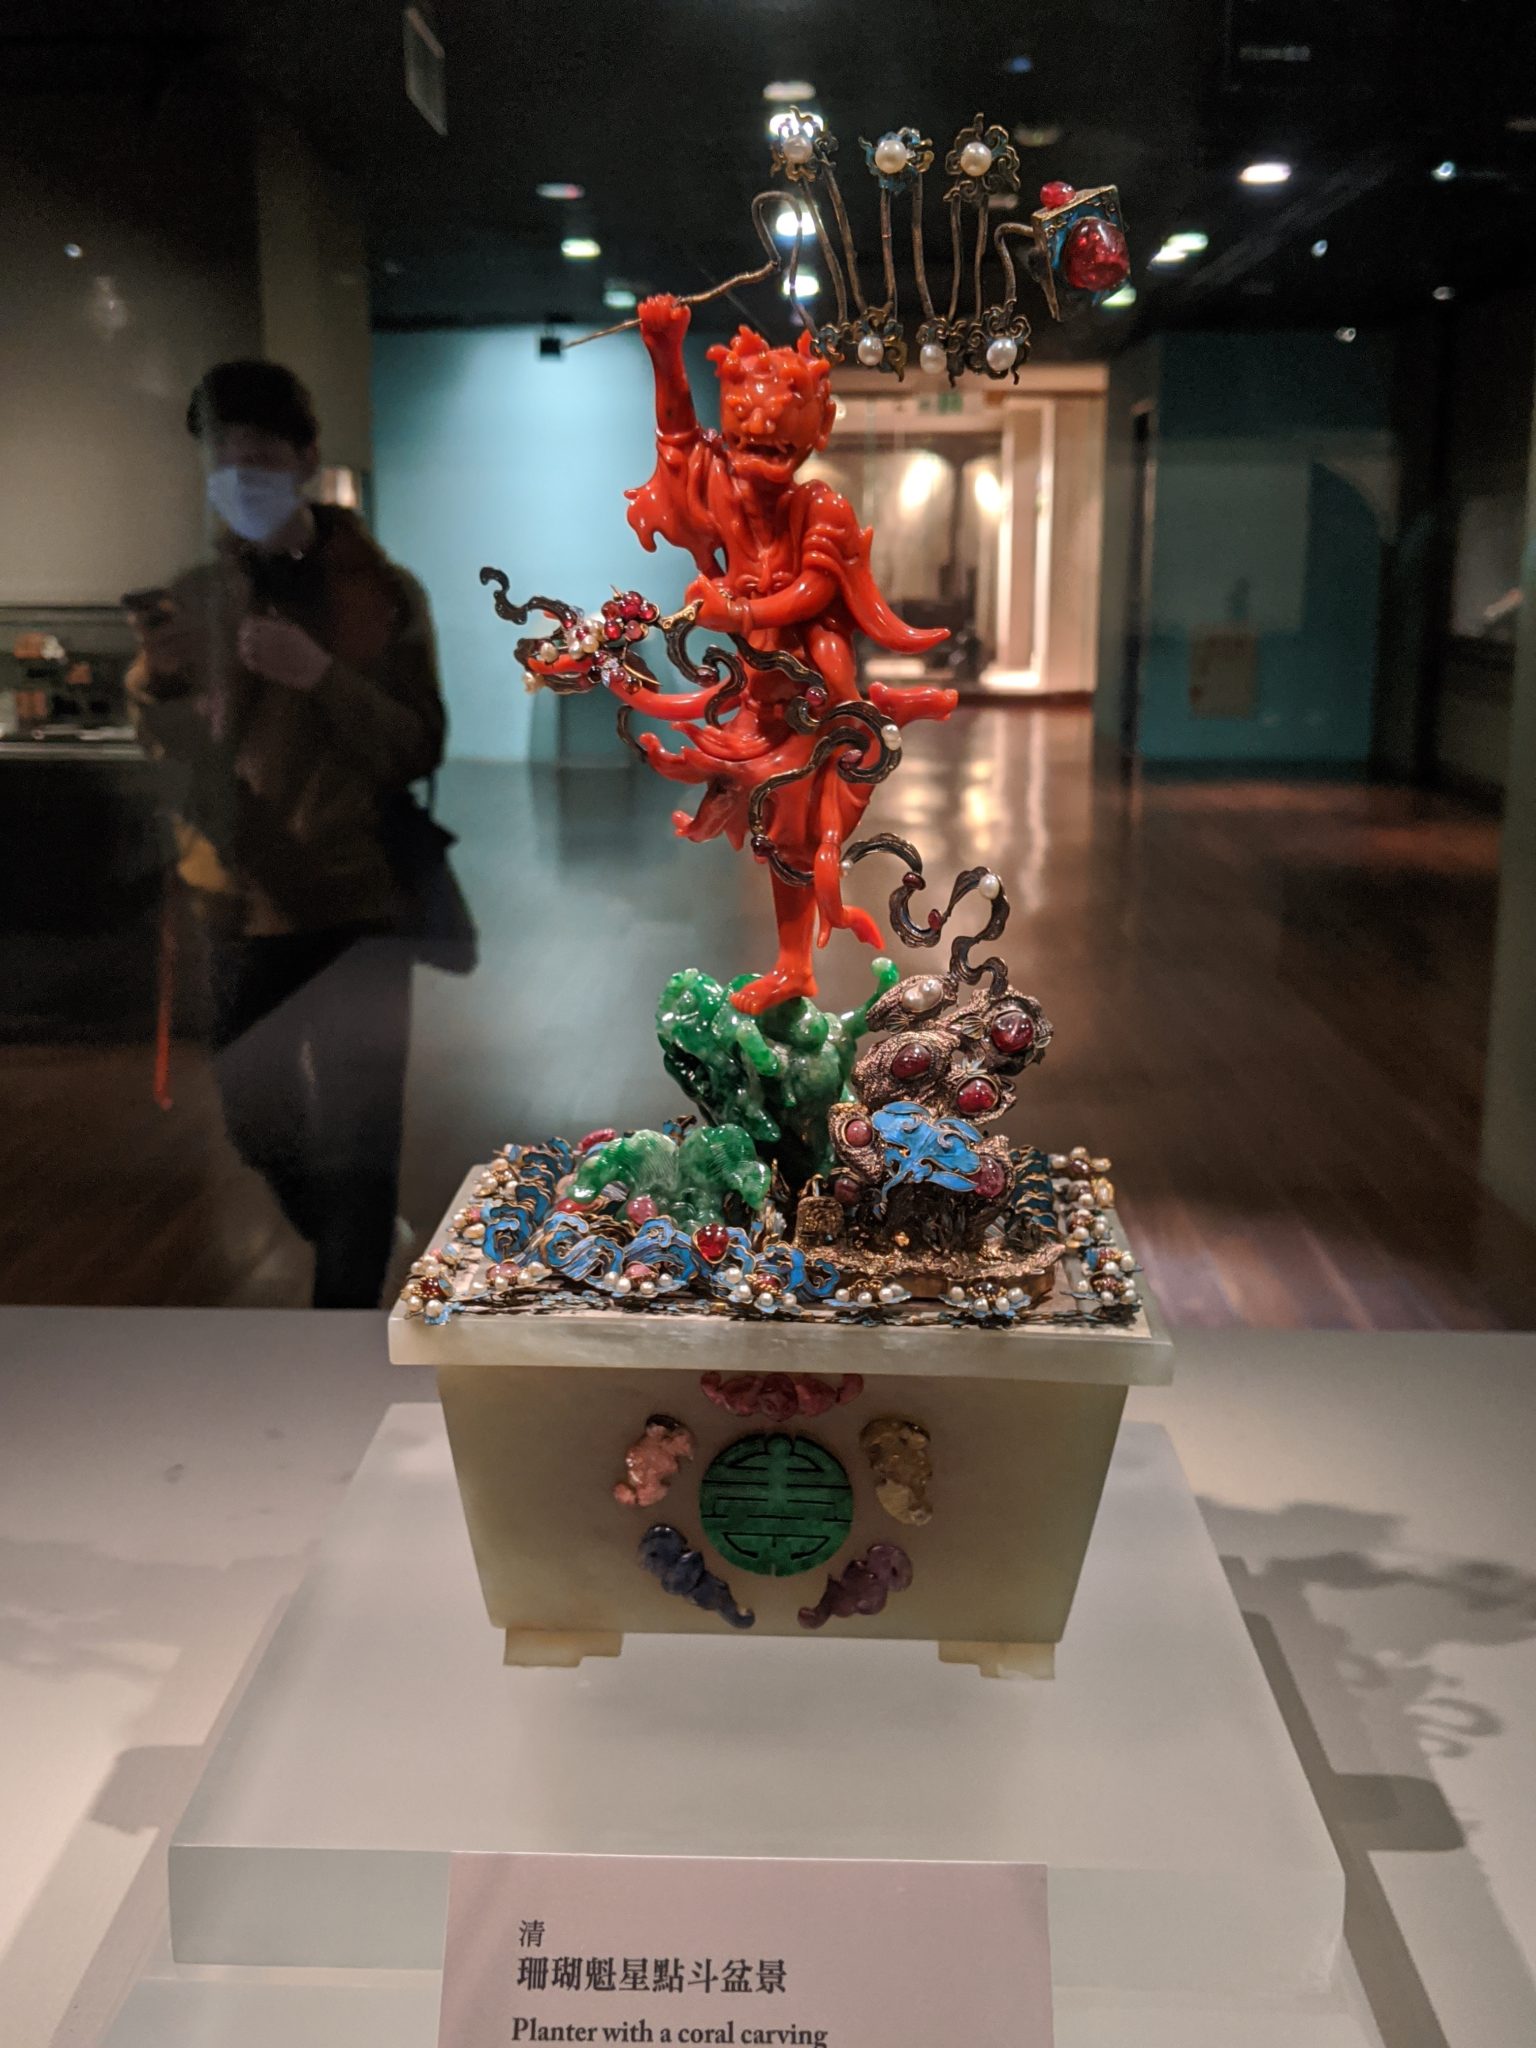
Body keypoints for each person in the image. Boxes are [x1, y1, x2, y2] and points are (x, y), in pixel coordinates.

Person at [127, 359, 447, 1308]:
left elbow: (418, 744)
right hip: (240, 902)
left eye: (261, 458)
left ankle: (341, 1331)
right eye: (224, 461)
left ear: (307, 460)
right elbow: (171, 749)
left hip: (356, 903)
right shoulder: (198, 592)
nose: (241, 479)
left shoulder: (381, 594)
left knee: (360, 1138)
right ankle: (352, 1232)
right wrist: (154, 683)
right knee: (256, 1122)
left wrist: (322, 675)